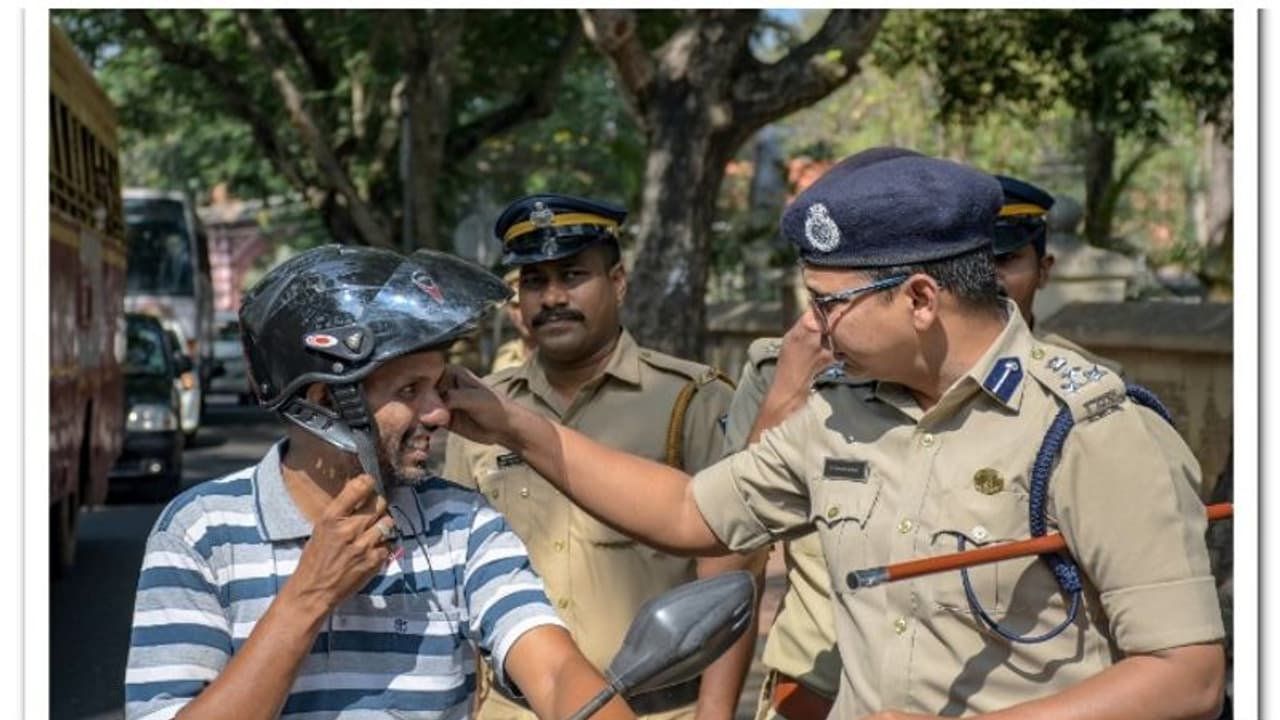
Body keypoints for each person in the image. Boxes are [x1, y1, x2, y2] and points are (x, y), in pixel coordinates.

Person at [442, 149, 1226, 720]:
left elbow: (1185, 671)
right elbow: (692, 513)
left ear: (920, 298)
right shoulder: (843, 412)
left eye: (829, 302)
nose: (810, 325)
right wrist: (515, 424)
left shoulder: (1088, 427)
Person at [124, 245, 635, 720]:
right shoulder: (200, 534)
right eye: (409, 390)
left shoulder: (461, 524)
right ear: (323, 403)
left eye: (438, 386)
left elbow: (554, 669)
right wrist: (308, 597)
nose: (438, 413)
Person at [444, 194, 764, 720]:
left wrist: (716, 713)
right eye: (534, 282)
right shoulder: (479, 409)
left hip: (657, 710)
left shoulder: (692, 400)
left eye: (572, 276)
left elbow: (736, 572)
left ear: (617, 282)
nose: (552, 298)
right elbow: (456, 566)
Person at [491, 268, 535, 374]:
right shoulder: (505, 356)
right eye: (516, 306)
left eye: (530, 304)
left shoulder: (570, 358)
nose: (524, 313)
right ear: (507, 310)